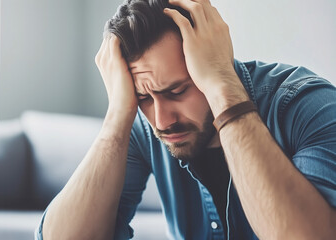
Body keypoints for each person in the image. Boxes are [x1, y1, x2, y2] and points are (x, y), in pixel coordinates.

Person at [35, 0, 336, 239]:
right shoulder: (142, 127)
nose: (162, 120)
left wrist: (225, 93)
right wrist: (116, 119)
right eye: (143, 99)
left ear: (212, 61)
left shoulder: (306, 105)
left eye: (177, 91)